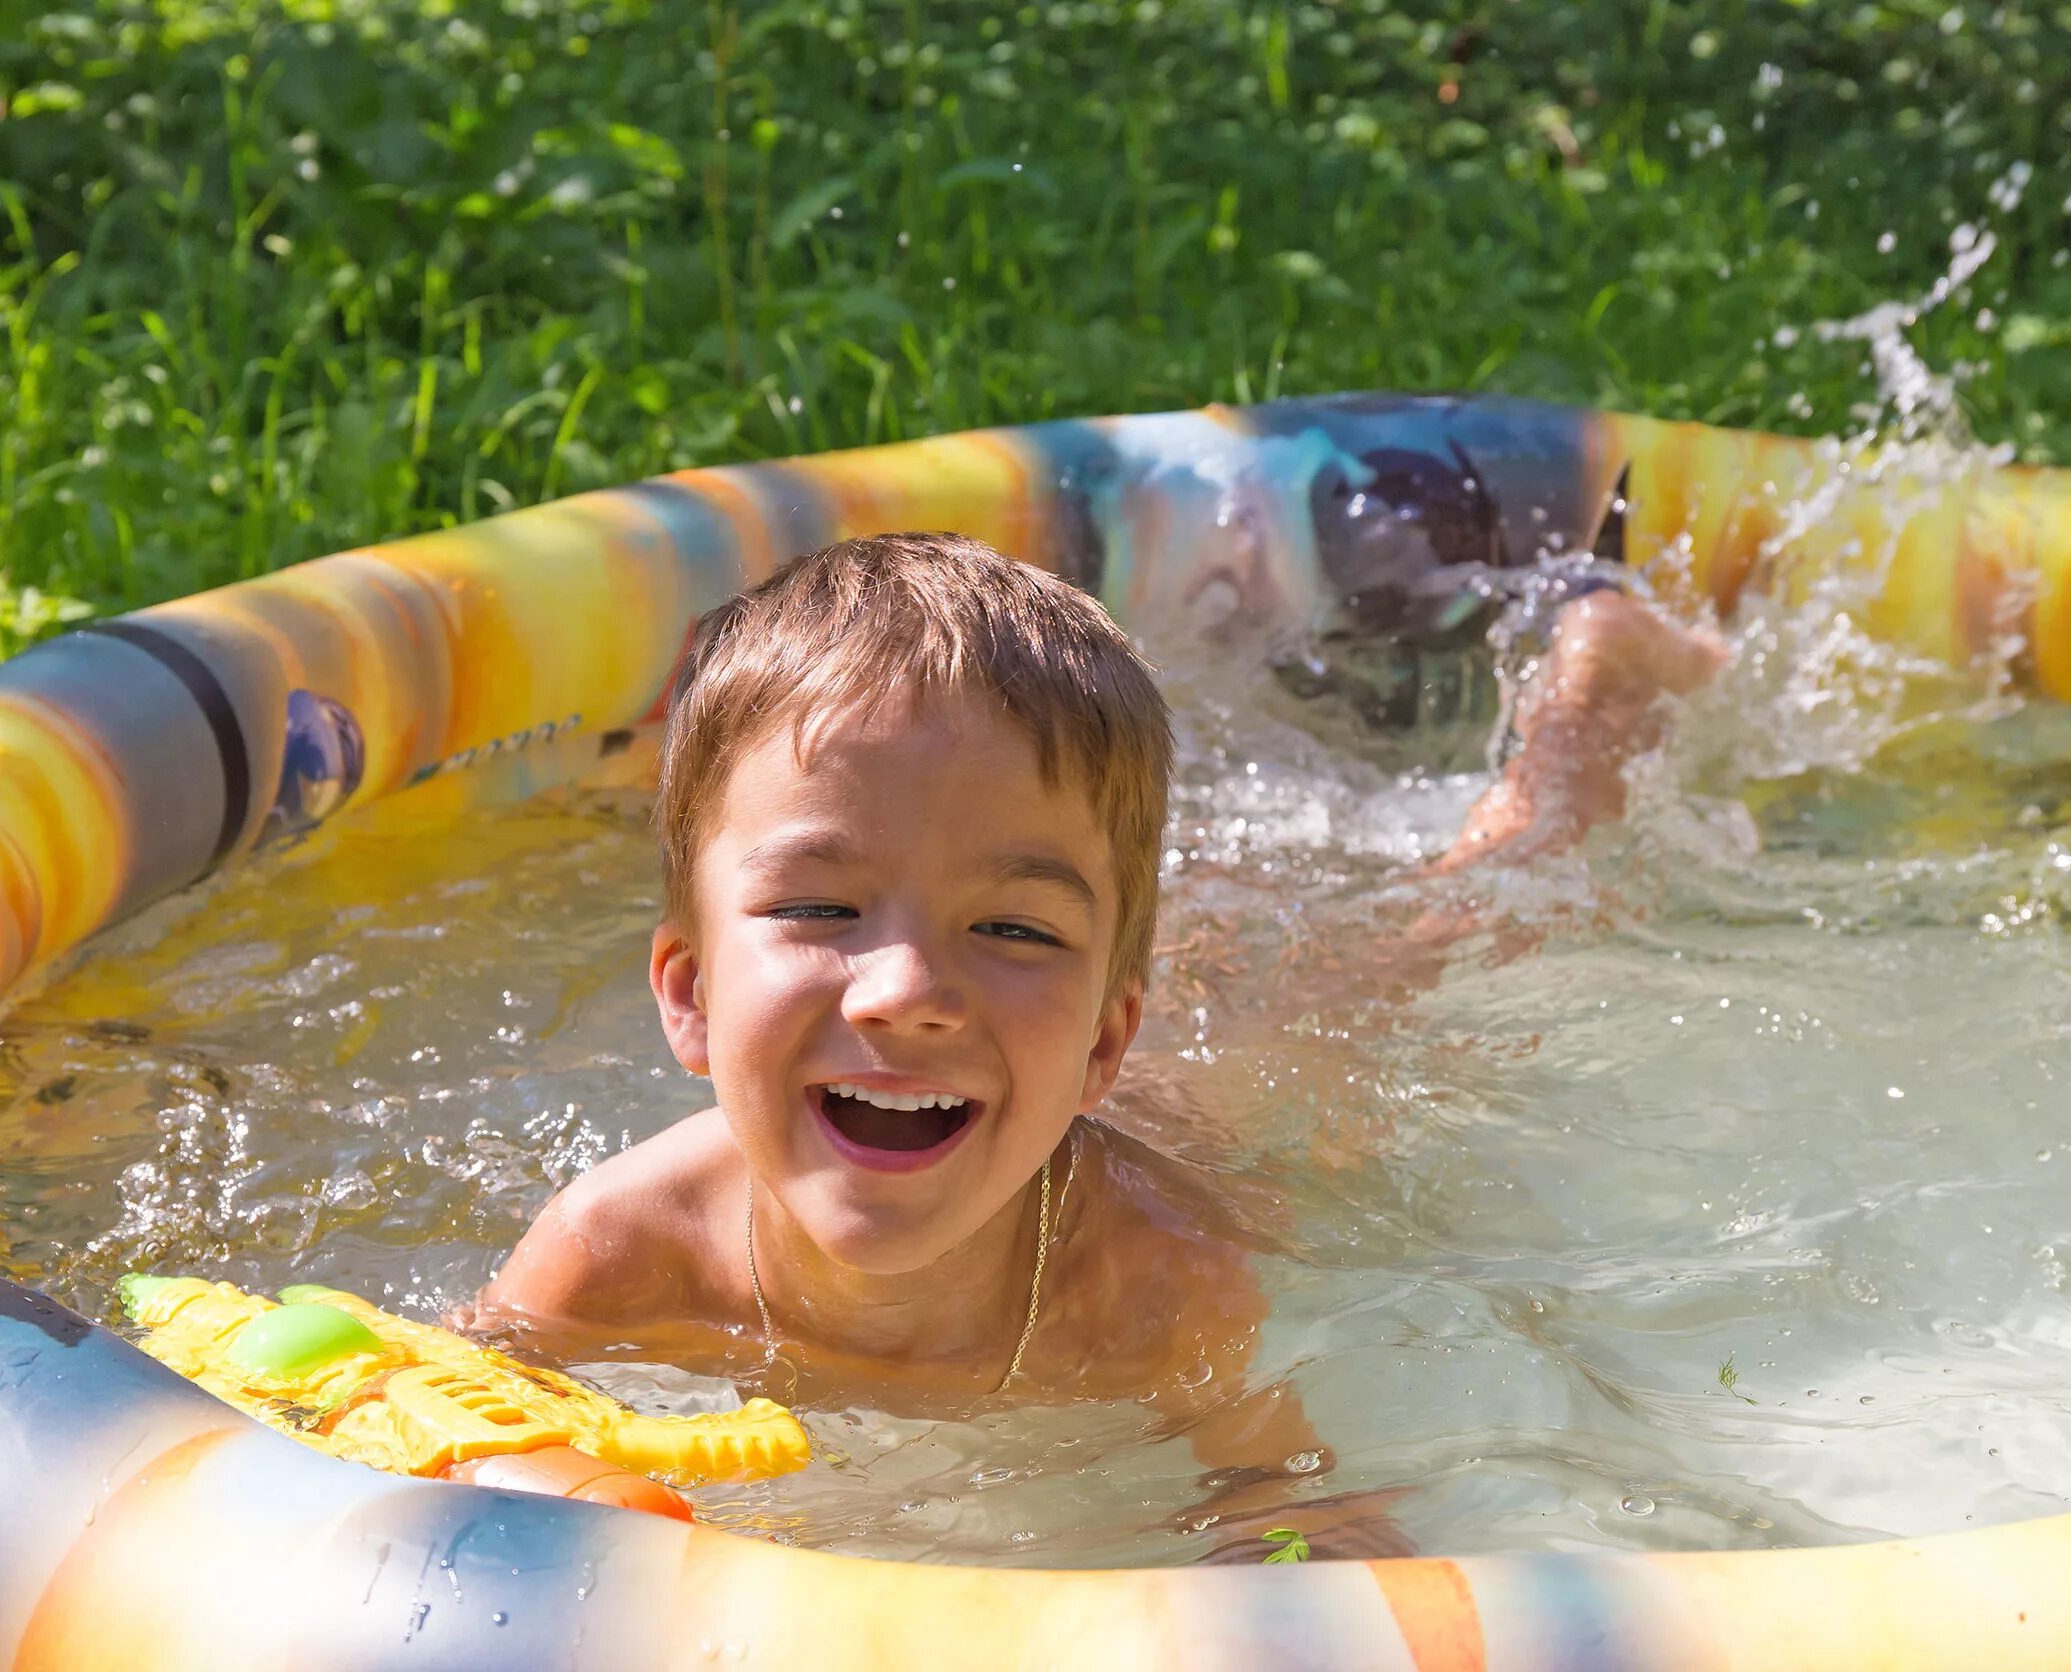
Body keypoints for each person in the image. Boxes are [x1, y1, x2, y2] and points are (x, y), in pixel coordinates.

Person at [466, 531, 1720, 1556]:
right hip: (1102, 1063)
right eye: (818, 908)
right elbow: (424, 1412)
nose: (907, 991)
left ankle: (1592, 706)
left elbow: (1300, 1515)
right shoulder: (618, 1247)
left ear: (1107, 1042)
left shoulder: (1152, 1291)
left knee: (1456, 931)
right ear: (685, 993)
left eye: (1011, 925)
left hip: (1250, 1118)